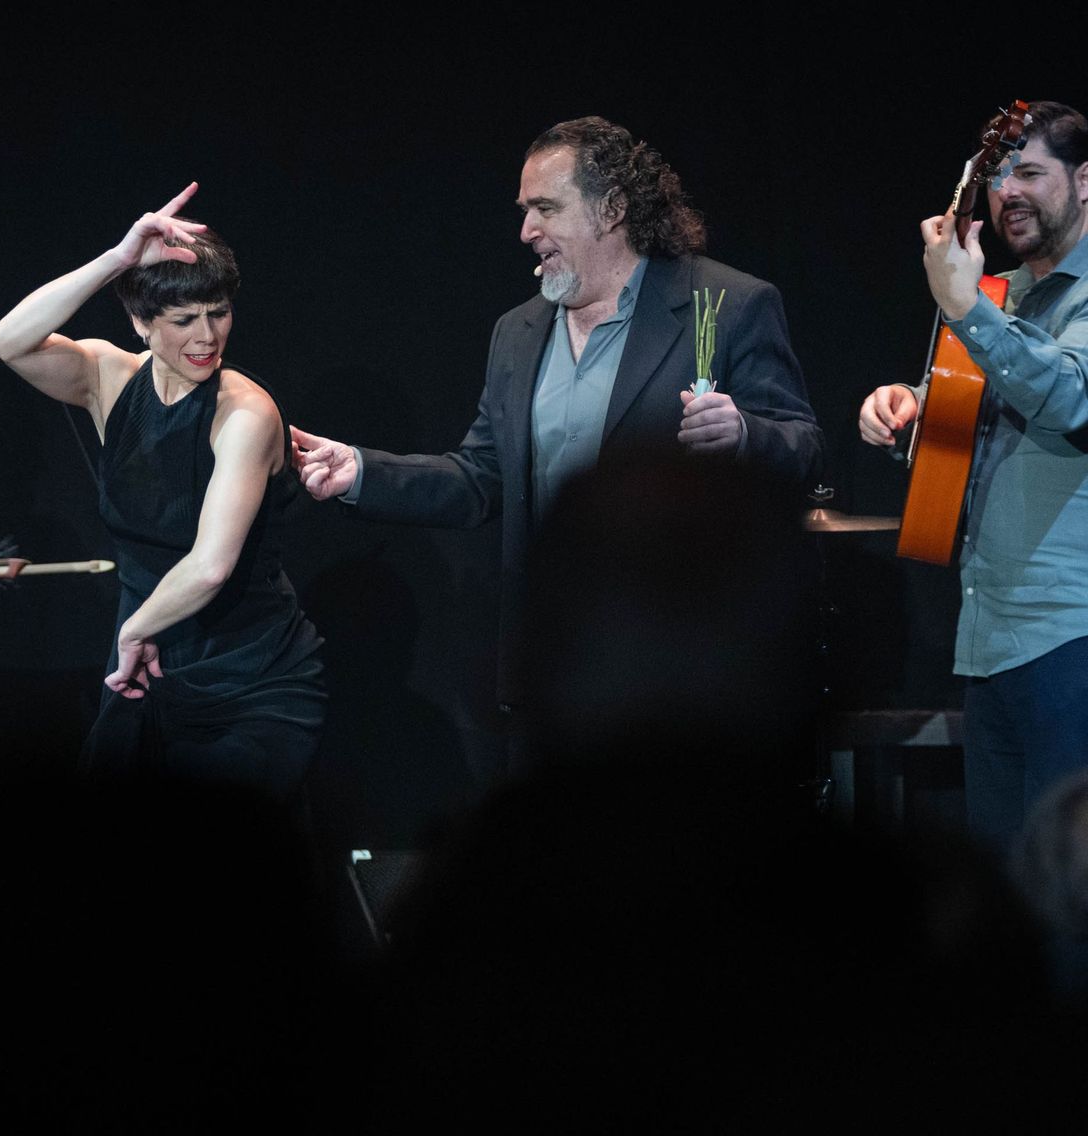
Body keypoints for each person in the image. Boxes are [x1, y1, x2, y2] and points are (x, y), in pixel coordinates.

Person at [292, 116, 823, 735]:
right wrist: (362, 472)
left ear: (612, 209)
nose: (526, 231)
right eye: (524, 211)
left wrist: (744, 437)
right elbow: (481, 478)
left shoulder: (727, 304)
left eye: (545, 208)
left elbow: (804, 447)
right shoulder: (517, 333)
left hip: (688, 676)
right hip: (556, 666)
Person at [0, 184, 323, 802]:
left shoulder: (244, 413)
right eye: (183, 319)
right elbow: (7, 340)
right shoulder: (106, 377)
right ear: (140, 323)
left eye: (218, 312)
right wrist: (119, 258)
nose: (207, 337)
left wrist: (133, 631)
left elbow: (210, 565)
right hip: (148, 656)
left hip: (245, 672)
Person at [859, 100, 1088, 854]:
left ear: (1084, 181)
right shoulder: (1001, 295)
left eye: (1029, 171)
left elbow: (1068, 397)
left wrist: (961, 302)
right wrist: (911, 413)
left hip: (1072, 638)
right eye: (996, 177)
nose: (1007, 192)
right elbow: (986, 412)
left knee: (1072, 899)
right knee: (1010, 899)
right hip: (990, 641)